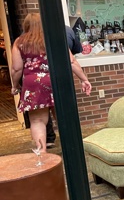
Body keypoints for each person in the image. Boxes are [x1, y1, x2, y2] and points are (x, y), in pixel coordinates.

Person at [10, 13, 92, 151]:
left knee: (37, 121)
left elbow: (16, 69)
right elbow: (71, 61)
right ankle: (72, 150)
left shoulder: (20, 42)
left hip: (34, 84)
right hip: (57, 80)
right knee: (63, 118)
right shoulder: (54, 38)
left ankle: (41, 153)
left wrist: (15, 85)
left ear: (26, 25)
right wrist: (84, 79)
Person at [45, 25, 83, 148]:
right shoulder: (65, 30)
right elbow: (77, 50)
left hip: (37, 78)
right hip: (61, 75)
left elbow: (17, 66)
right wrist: (84, 78)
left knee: (39, 116)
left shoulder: (27, 37)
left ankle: (47, 140)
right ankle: (70, 142)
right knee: (61, 111)